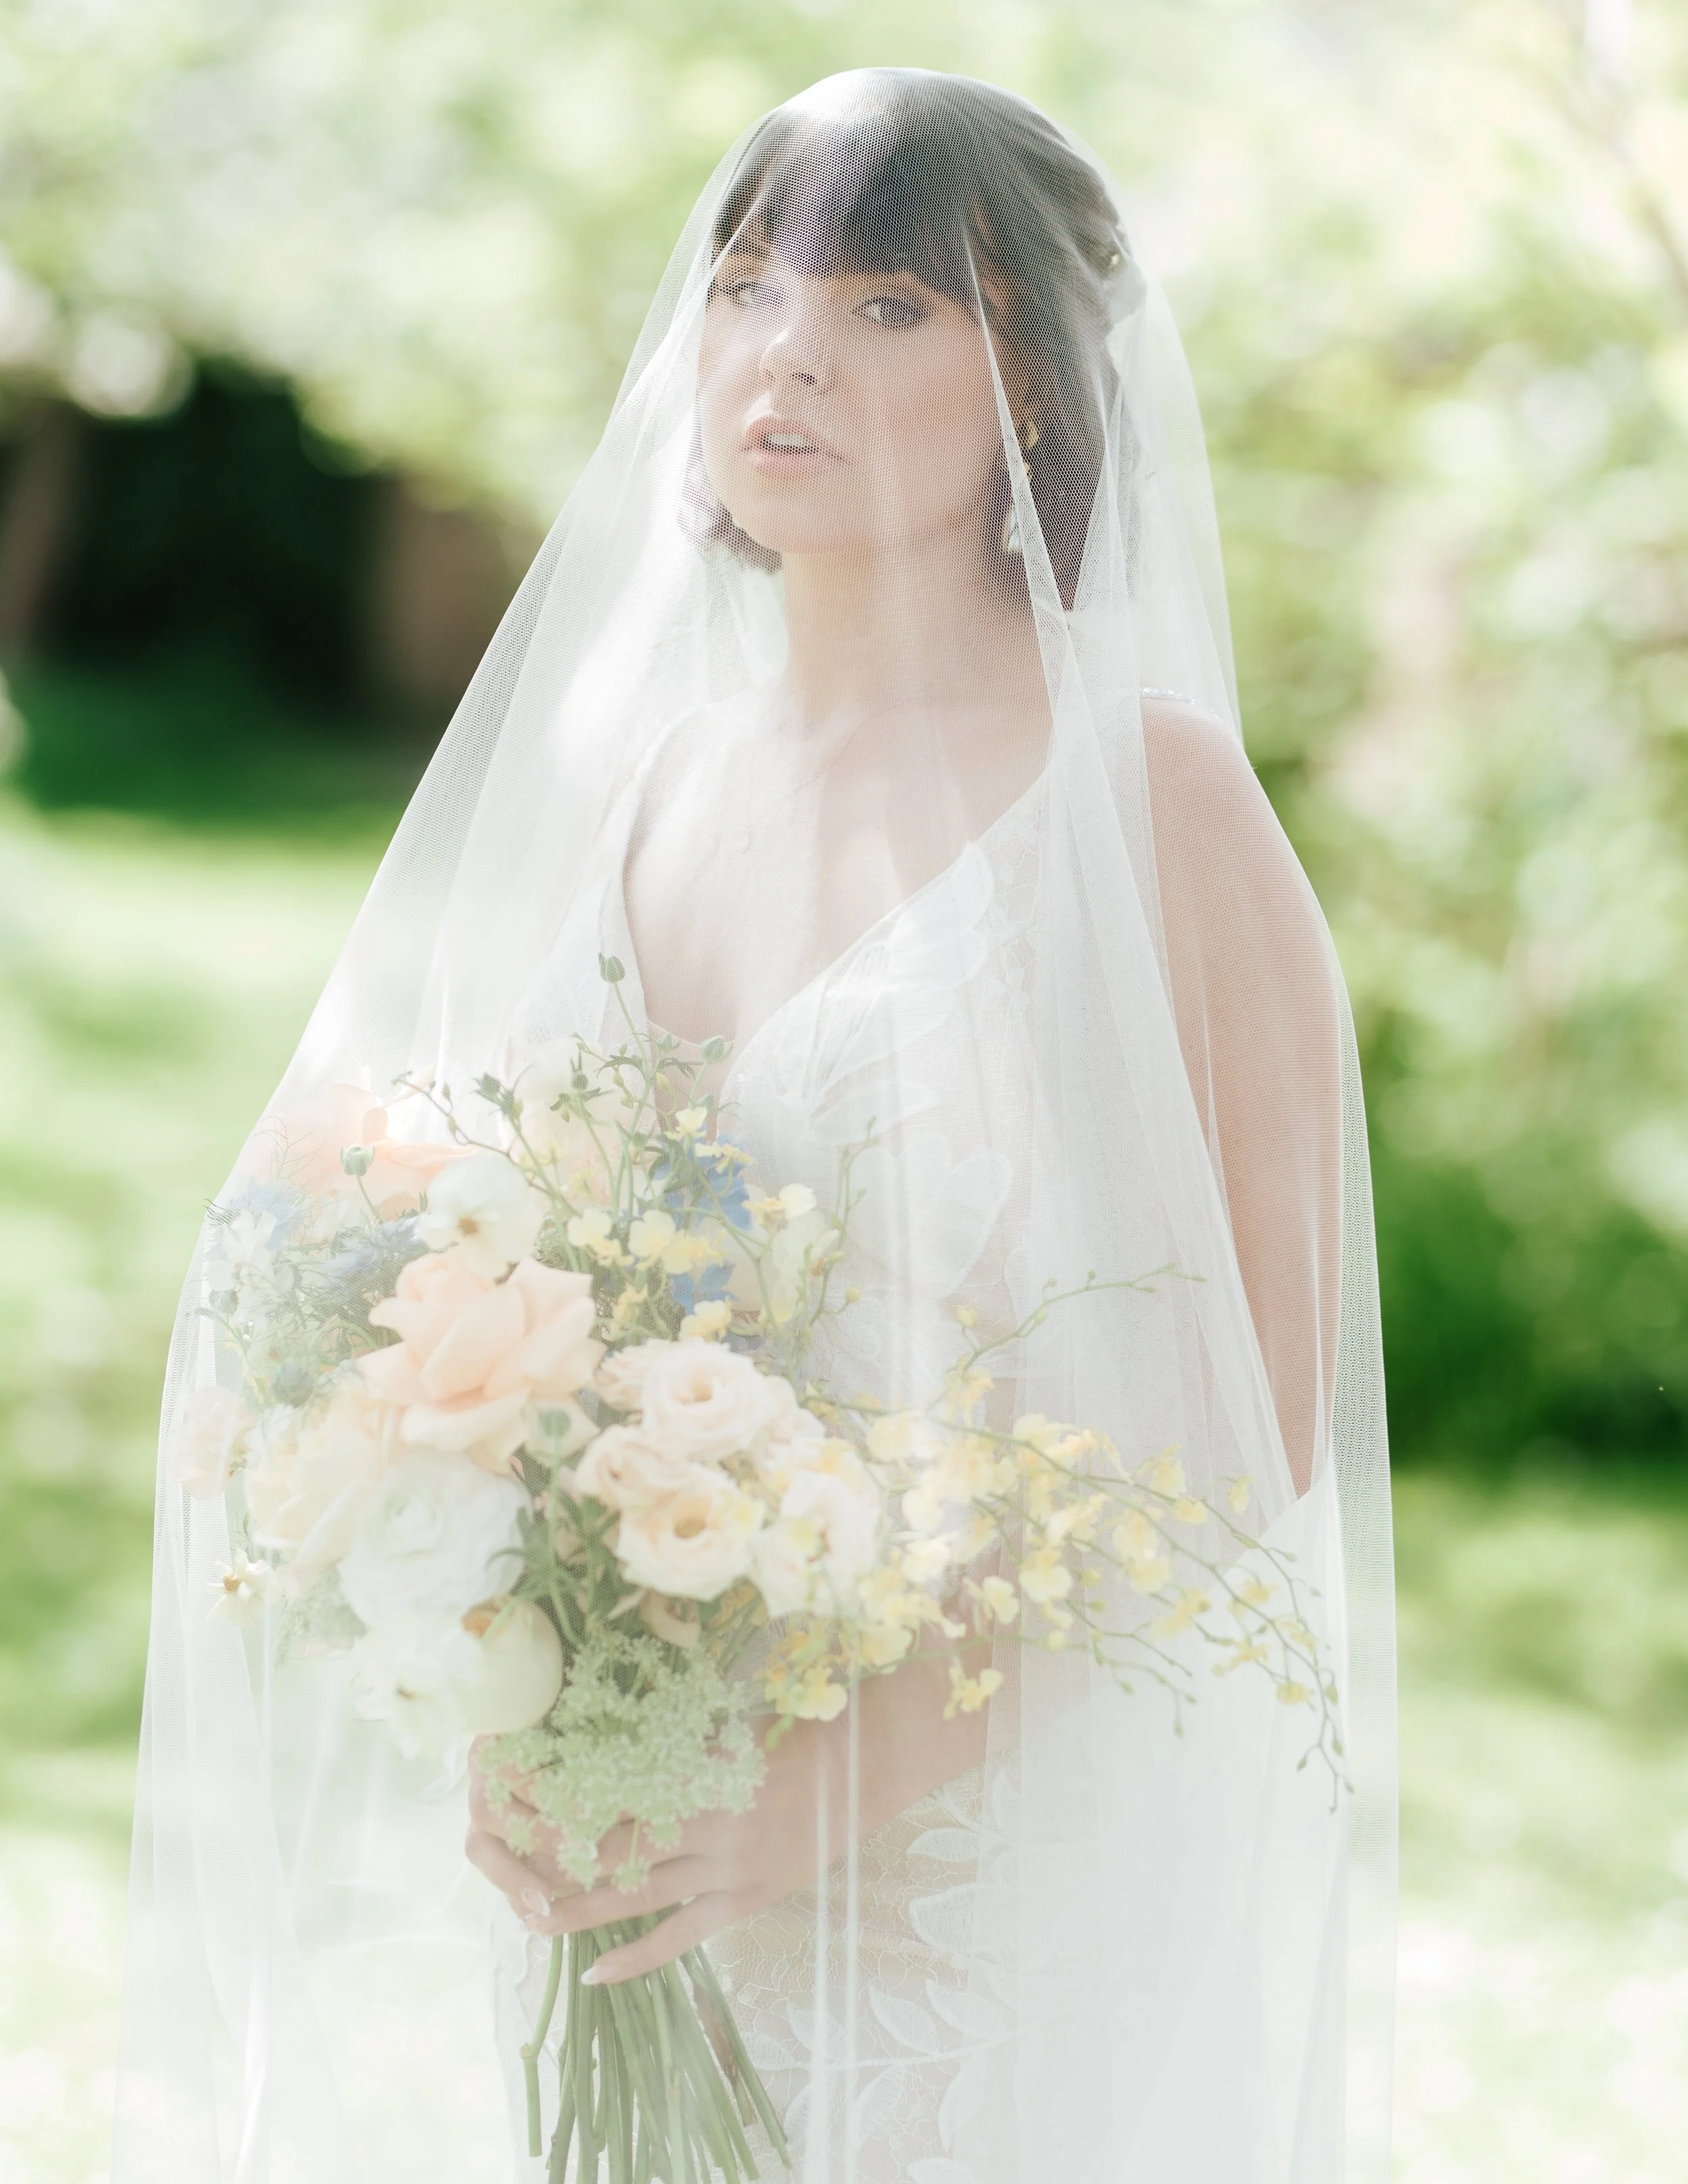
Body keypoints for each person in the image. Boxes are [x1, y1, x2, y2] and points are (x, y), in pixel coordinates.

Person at [115, 70, 1395, 2184]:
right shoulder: (659, 782)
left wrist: (841, 1781)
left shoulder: (1153, 813)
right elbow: (524, 1274)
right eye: (743, 282)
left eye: (891, 310)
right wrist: (518, 1666)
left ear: (1037, 400)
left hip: (1004, 1847)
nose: (781, 348)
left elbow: (1249, 1412)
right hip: (654, 1803)